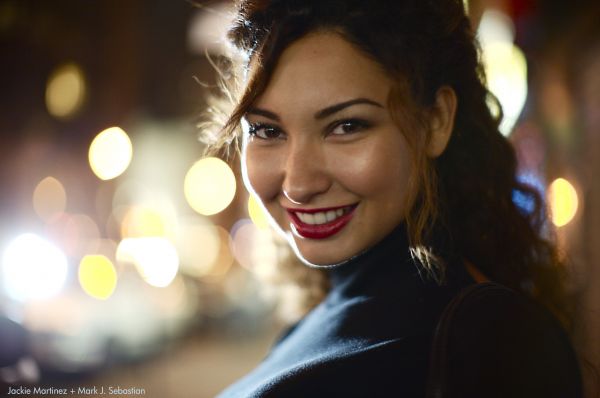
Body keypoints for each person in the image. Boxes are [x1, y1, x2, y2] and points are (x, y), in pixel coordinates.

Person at [201, 0, 584, 396]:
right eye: (266, 131)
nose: (298, 184)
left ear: (436, 120)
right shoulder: (325, 315)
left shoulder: (486, 349)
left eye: (346, 126)